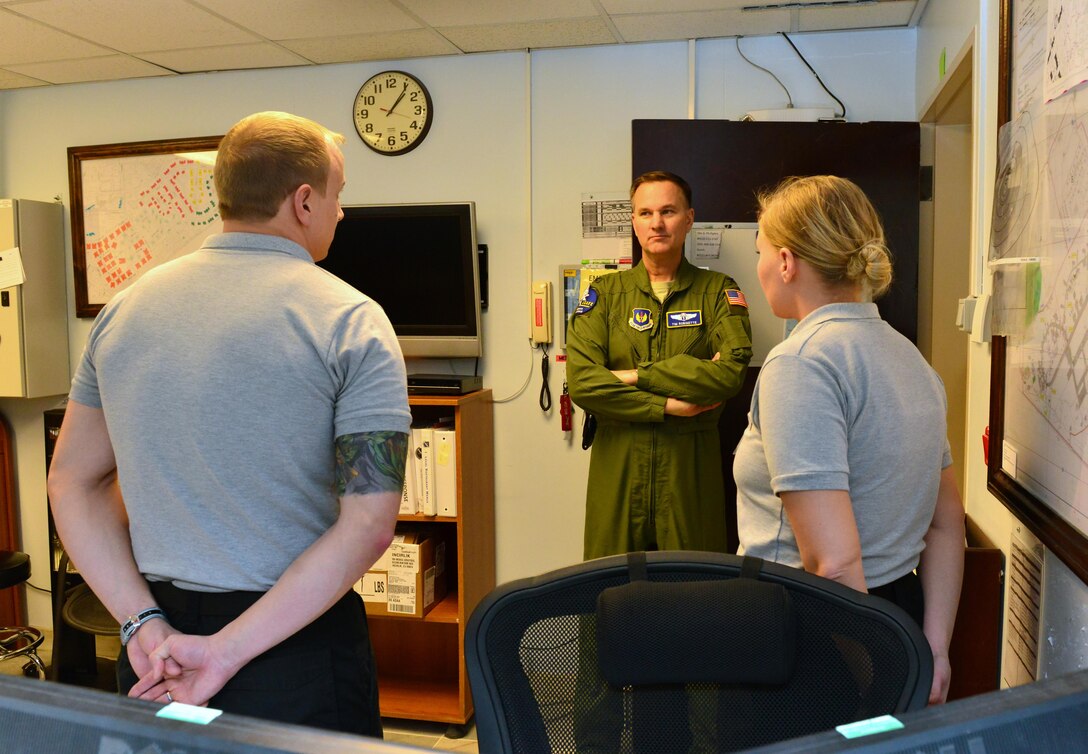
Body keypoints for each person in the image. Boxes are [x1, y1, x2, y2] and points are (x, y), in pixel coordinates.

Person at [46, 111, 411, 736]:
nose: (341, 213)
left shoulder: (125, 310)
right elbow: (370, 525)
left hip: (156, 650)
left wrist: (141, 623)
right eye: (338, 195)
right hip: (295, 652)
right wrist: (225, 651)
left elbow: (70, 484)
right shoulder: (350, 319)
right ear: (303, 202)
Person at [734, 174, 965, 705]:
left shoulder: (801, 363)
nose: (761, 265)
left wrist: (879, 675)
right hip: (898, 615)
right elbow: (946, 520)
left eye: (761, 251)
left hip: (811, 633)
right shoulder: (912, 360)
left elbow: (833, 563)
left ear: (787, 262)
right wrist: (933, 651)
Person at [566, 170, 753, 560]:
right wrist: (670, 405)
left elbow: (730, 373)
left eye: (668, 211)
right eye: (646, 212)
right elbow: (583, 384)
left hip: (689, 476)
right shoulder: (605, 293)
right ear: (633, 221)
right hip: (617, 470)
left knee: (695, 598)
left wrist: (637, 375)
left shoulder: (718, 291)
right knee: (609, 594)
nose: (656, 222)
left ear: (688, 219)